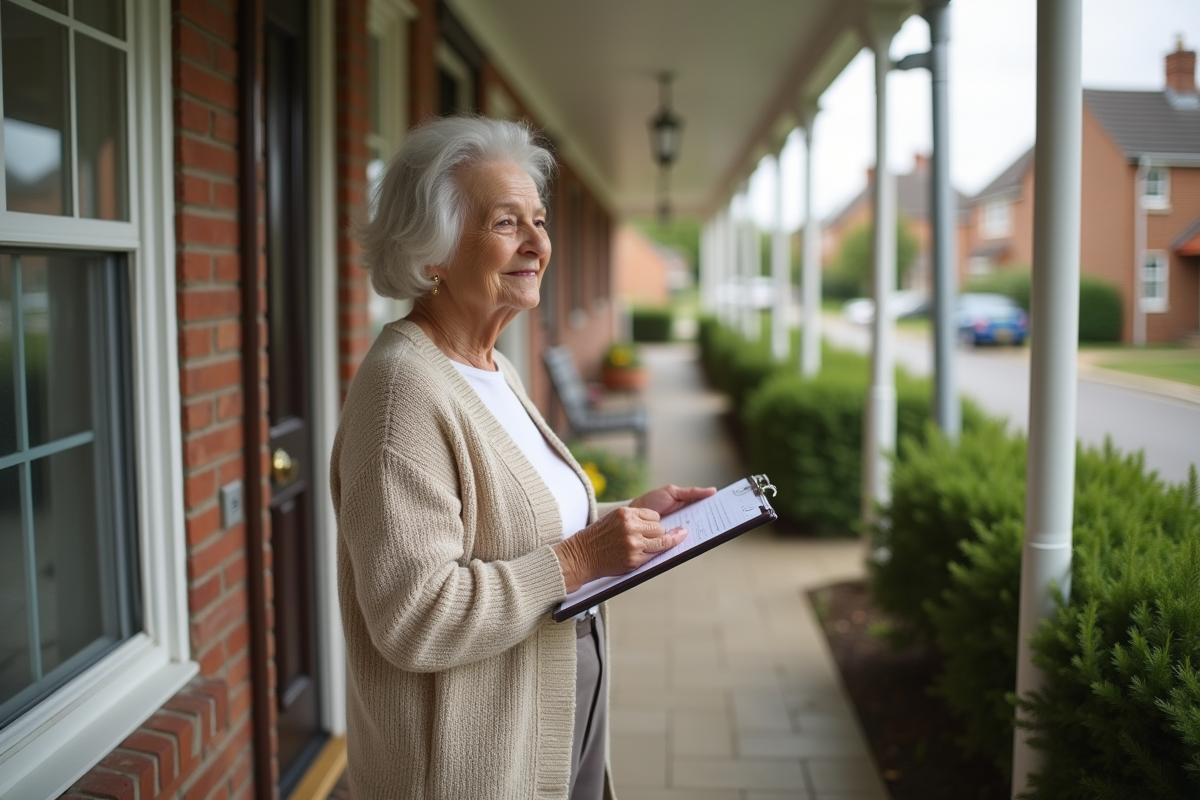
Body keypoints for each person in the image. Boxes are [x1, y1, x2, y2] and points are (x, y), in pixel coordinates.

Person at [332, 115, 715, 800]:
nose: (538, 243)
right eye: (507, 223)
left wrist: (625, 517)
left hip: (555, 704)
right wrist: (581, 559)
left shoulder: (493, 367)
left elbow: (513, 519)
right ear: (431, 251)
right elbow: (415, 617)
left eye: (539, 221)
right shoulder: (401, 395)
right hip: (469, 766)